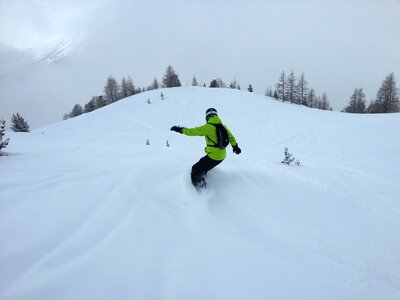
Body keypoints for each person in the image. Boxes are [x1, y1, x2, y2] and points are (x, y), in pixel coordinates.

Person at [171, 108, 241, 189]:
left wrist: (180, 129)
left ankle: (200, 188)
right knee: (203, 164)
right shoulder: (223, 126)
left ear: (207, 117)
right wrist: (235, 147)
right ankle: (203, 175)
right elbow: (231, 138)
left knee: (195, 169)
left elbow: (192, 131)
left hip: (214, 157)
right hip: (221, 156)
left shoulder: (208, 127)